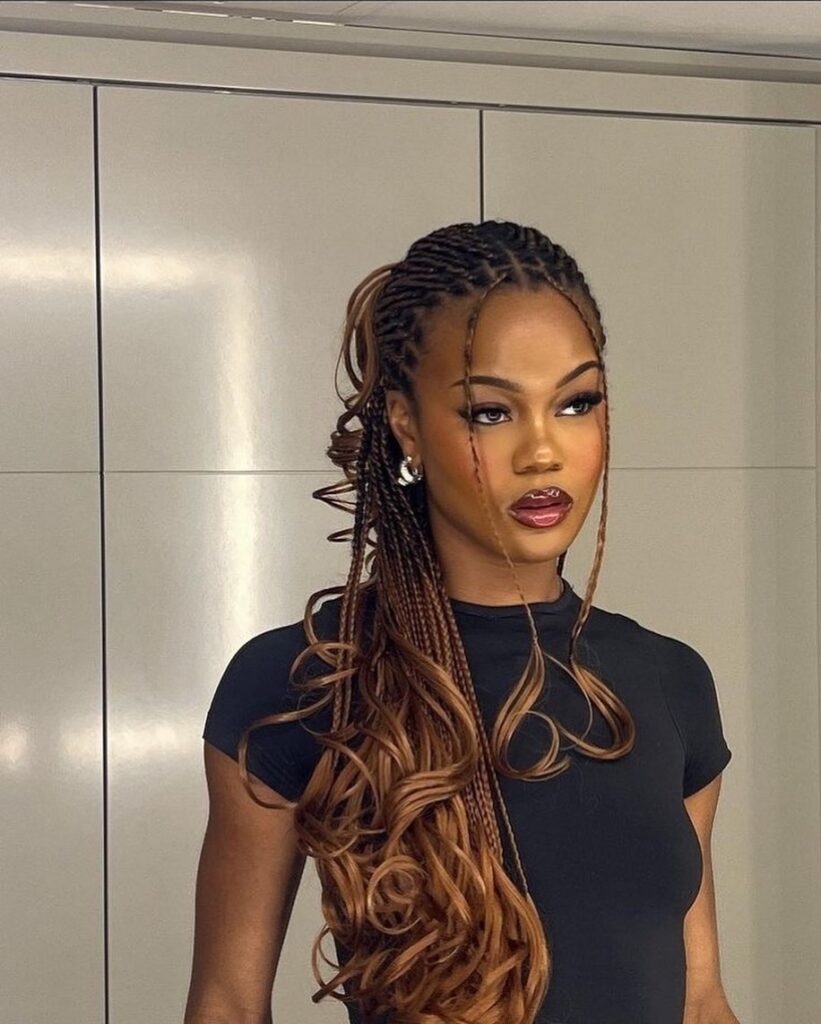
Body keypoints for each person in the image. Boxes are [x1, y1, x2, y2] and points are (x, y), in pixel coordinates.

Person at [187, 220, 737, 1024]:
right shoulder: (306, 677)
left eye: (576, 403)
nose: (542, 451)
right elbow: (228, 1005)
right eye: (490, 413)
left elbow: (698, 997)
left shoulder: (670, 680)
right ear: (406, 425)